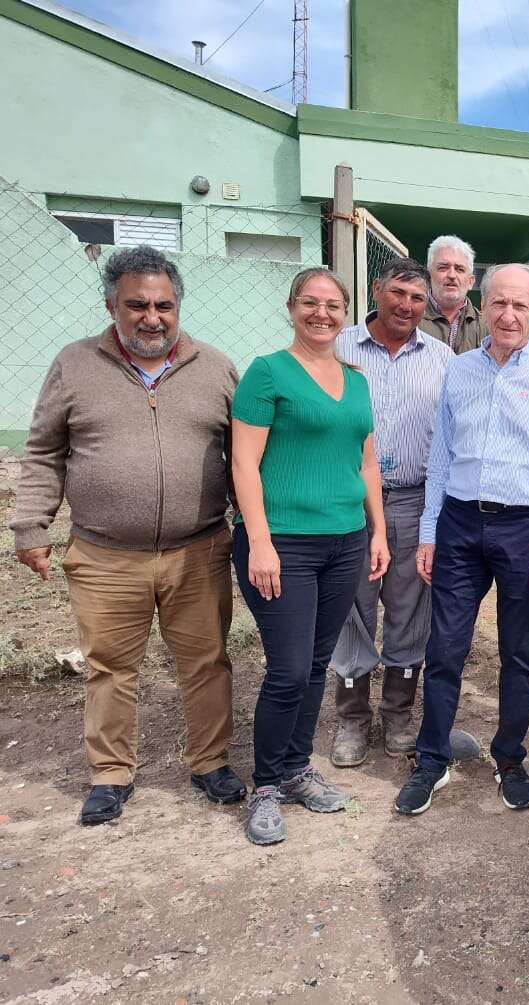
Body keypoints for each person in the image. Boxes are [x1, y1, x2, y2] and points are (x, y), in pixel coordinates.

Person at [9, 245, 245, 826]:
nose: (152, 317)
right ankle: (110, 773)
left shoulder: (214, 367)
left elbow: (243, 456)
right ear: (112, 304)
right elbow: (43, 452)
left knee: (207, 662)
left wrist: (259, 531)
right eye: (136, 304)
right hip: (106, 553)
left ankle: (210, 761)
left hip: (199, 549)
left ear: (178, 306)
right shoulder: (75, 364)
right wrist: (31, 525)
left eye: (164, 305)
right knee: (111, 667)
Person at [394, 264, 529, 816]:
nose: (508, 315)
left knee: (519, 652)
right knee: (446, 647)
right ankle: (432, 762)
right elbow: (440, 459)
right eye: (499, 303)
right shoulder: (458, 372)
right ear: (485, 301)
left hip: (527, 530)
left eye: (521, 306)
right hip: (458, 524)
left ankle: (509, 757)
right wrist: (429, 532)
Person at [231, 267, 390, 845]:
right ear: (292, 306)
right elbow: (244, 464)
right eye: (310, 302)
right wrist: (261, 542)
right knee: (288, 670)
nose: (322, 313)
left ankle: (297, 770)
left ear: (345, 311)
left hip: (346, 541)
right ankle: (267, 785)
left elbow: (367, 462)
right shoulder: (267, 372)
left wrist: (378, 533)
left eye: (333, 304)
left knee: (318, 666)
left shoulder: (356, 380)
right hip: (284, 544)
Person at [328, 257, 453, 767]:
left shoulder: (443, 357)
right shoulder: (339, 349)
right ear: (376, 290)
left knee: (410, 606)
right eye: (398, 293)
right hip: (351, 501)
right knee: (351, 606)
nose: (406, 305)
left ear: (428, 305)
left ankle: (399, 711)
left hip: (417, 499)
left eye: (417, 298)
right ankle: (352, 718)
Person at [421, 235, 486, 354]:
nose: (452, 275)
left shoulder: (486, 326)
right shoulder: (411, 319)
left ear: (471, 281)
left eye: (459, 269)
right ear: (428, 276)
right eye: (443, 267)